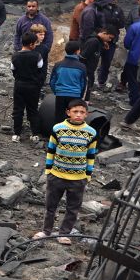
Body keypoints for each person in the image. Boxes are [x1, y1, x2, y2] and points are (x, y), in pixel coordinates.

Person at [39, 100, 98, 244]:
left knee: (73, 208)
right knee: (50, 206)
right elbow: (51, 150)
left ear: (86, 114)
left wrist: (88, 175)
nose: (78, 115)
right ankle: (46, 231)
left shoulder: (91, 133)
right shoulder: (58, 128)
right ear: (68, 112)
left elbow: (91, 155)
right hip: (57, 175)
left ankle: (63, 233)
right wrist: (48, 170)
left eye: (82, 112)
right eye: (75, 111)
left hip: (78, 178)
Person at [80, 0, 124, 88]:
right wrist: (99, 37)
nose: (108, 3)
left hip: (96, 41)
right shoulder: (90, 11)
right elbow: (87, 32)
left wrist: (102, 40)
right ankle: (84, 92)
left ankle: (89, 90)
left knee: (94, 67)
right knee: (88, 69)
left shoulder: (97, 9)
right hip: (89, 44)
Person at [11, 31, 45, 142]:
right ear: (31, 44)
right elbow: (40, 70)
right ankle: (34, 134)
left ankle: (16, 134)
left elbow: (13, 70)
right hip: (33, 87)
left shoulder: (15, 56)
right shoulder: (37, 56)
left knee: (18, 109)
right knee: (32, 109)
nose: (36, 45)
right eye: (35, 43)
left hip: (19, 85)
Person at [49, 40, 88, 122]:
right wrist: (80, 96)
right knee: (72, 117)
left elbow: (52, 81)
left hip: (60, 94)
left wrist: (57, 91)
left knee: (59, 117)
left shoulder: (58, 65)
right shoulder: (81, 66)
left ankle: (58, 133)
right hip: (75, 95)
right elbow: (83, 84)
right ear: (77, 51)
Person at [81, 28, 113, 100]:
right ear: (104, 33)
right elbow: (83, 56)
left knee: (89, 86)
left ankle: (85, 101)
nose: (110, 40)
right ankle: (83, 102)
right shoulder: (93, 42)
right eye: (109, 37)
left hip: (90, 69)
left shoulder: (98, 42)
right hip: (87, 69)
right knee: (86, 86)